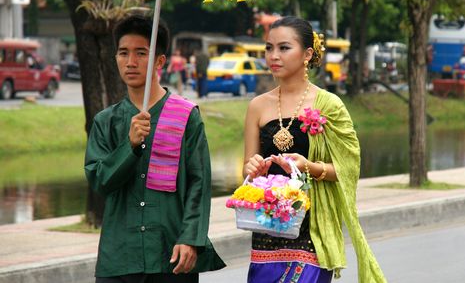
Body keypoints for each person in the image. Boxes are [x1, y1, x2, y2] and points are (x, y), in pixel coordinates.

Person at [243, 16, 385, 282]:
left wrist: (308, 166)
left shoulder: (329, 105)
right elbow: (247, 168)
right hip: (268, 229)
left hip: (312, 230)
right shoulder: (257, 106)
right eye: (269, 48)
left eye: (284, 48)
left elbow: (348, 168)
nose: (274, 56)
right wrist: (253, 168)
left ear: (307, 54)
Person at [84, 14, 225, 283]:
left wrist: (191, 238)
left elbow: (199, 183)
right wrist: (130, 146)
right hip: (120, 259)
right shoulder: (105, 122)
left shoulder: (185, 116)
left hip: (171, 256)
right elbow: (100, 182)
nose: (131, 62)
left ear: (160, 61)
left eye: (141, 53)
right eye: (123, 53)